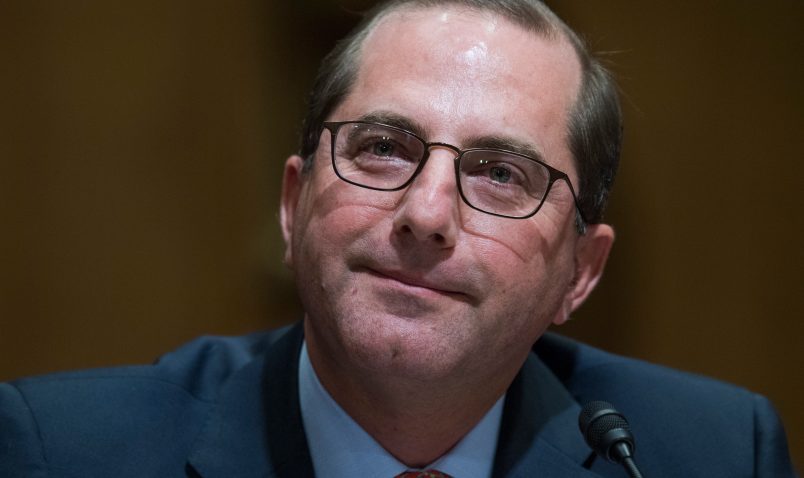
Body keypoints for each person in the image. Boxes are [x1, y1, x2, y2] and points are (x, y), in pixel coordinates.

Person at [0, 1, 796, 477]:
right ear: (292, 203)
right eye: (383, 147)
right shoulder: (61, 452)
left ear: (580, 275)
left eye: (501, 174)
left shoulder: (715, 455)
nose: (426, 212)